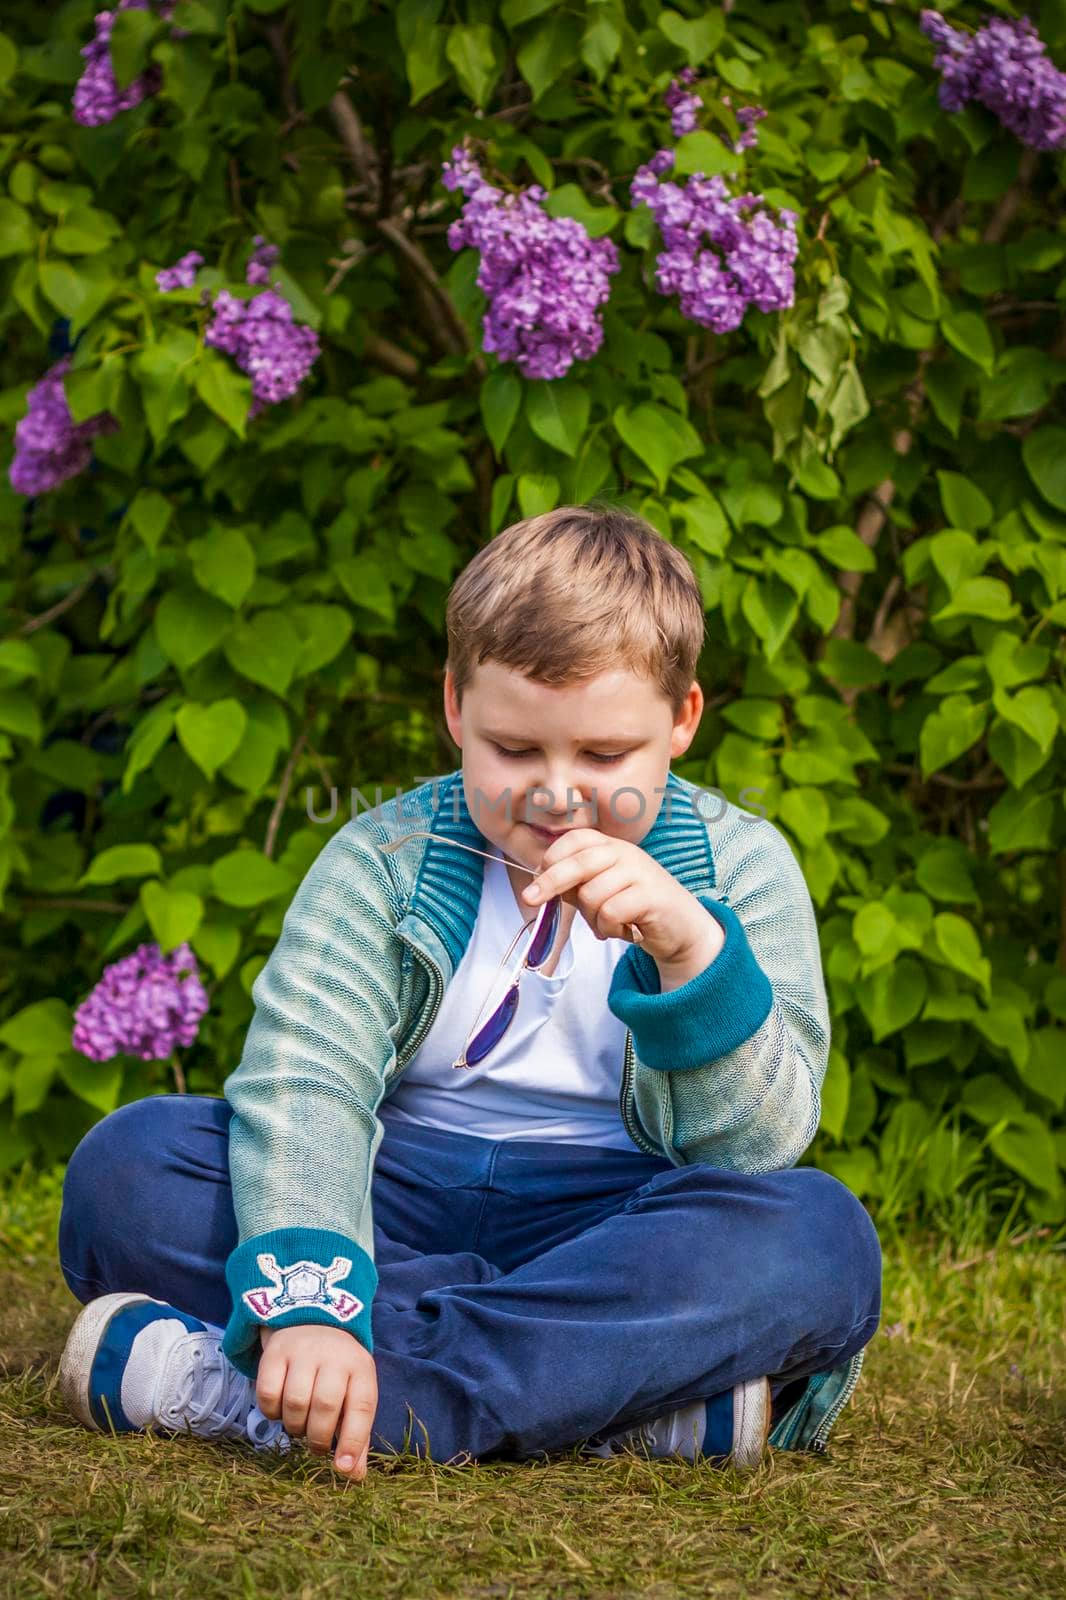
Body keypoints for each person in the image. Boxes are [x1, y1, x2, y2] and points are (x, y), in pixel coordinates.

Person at [57, 503, 882, 1482]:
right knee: (128, 1168)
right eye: (515, 750)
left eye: (606, 756)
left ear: (682, 721)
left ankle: (263, 1391)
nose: (557, 793)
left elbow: (753, 1150)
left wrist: (691, 955)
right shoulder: (385, 857)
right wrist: (315, 1298)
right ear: (455, 708)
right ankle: (609, 1393)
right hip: (389, 1194)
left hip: (615, 1219)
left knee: (819, 1237)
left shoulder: (740, 868)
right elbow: (303, 1082)